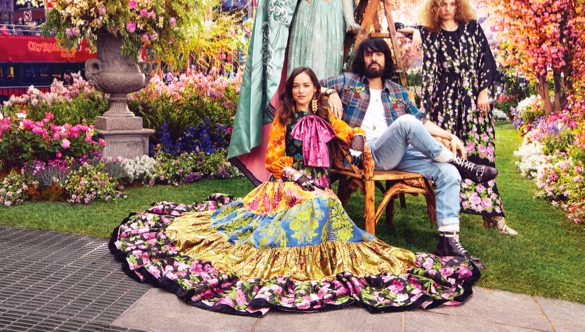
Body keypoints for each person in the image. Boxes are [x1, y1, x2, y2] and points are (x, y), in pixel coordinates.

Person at [110, 67, 480, 315]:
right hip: (286, 183)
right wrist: (294, 175)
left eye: (307, 85)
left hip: (317, 184)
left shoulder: (325, 117)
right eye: (297, 86)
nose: (302, 91)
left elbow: (348, 132)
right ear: (292, 91)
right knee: (310, 207)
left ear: (316, 89)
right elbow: (273, 161)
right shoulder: (284, 119)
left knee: (328, 208)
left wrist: (357, 138)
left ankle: (321, 257)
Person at [322, 38, 500, 262]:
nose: (374, 59)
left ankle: (448, 240)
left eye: (379, 54)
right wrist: (331, 91)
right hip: (366, 154)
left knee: (448, 173)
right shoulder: (349, 81)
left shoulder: (398, 91)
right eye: (369, 55)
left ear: (386, 59)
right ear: (362, 59)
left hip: (397, 153)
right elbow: (311, 83)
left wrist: (450, 135)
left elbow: (421, 122)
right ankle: (459, 162)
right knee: (406, 122)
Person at [229, 0, 360, 184]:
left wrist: (350, 20)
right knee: (305, 71)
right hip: (307, 16)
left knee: (325, 73)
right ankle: (292, 150)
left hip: (333, 19)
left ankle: (322, 146)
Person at [409, 0, 518, 236]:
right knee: (450, 157)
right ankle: (449, 215)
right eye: (443, 4)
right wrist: (416, 30)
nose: (447, 9)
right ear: (436, 7)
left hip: (472, 103)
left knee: (481, 156)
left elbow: (487, 61)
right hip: (444, 104)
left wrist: (484, 91)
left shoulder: (472, 29)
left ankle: (495, 216)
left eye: (452, 4)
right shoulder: (431, 33)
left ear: (458, 5)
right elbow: (399, 28)